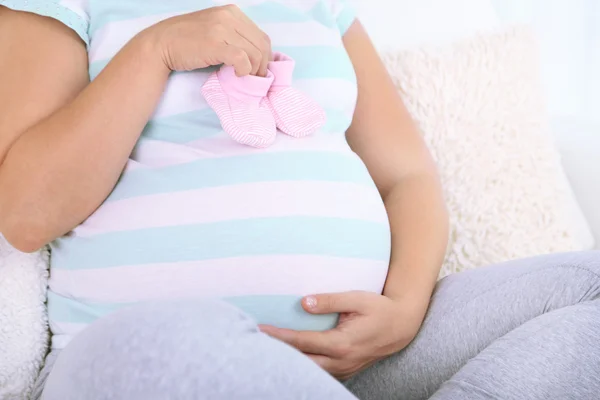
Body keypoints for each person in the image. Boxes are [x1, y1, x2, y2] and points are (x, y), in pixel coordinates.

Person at [0, 1, 598, 399]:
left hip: (364, 362)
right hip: (154, 357)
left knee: (588, 288)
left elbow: (408, 177)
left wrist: (404, 308)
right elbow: (26, 214)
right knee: (174, 338)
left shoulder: (322, 5)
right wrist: (155, 50)